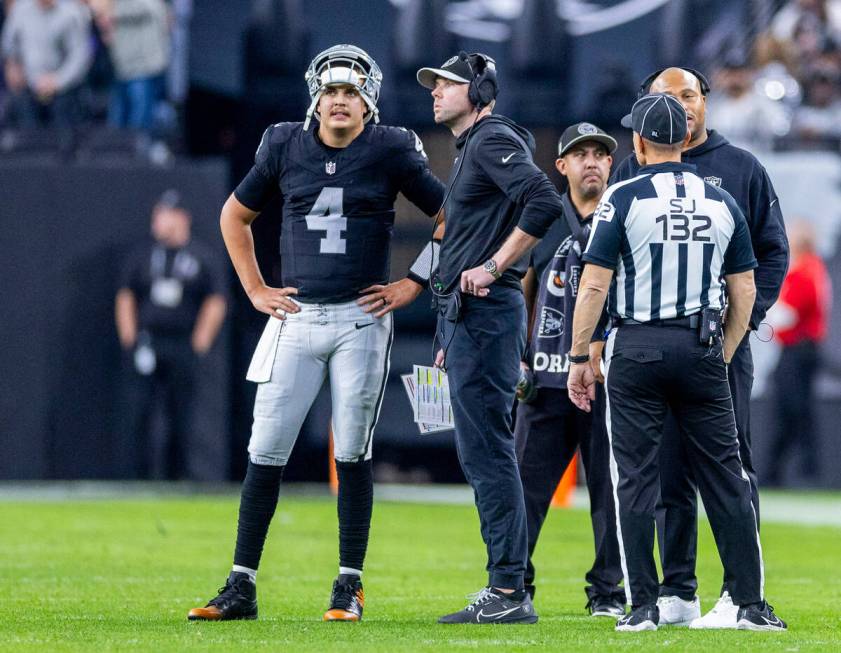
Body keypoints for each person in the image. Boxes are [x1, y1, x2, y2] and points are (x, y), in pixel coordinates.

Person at [187, 44, 445, 623]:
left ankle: (348, 583)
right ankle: (241, 584)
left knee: (352, 449)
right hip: (297, 318)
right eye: (331, 91)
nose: (339, 101)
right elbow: (234, 216)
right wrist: (255, 290)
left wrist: (413, 284)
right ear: (315, 97)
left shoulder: (391, 148)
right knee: (265, 449)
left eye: (351, 92)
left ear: (368, 101)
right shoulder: (284, 144)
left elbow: (452, 216)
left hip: (361, 319)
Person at [568, 92, 787, 632]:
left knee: (636, 477)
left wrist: (579, 354)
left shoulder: (622, 195)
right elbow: (745, 288)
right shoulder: (721, 200)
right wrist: (724, 351)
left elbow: (595, 282)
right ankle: (750, 604)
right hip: (703, 348)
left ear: (639, 143)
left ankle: (643, 604)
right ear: (684, 139)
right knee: (727, 476)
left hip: (638, 347)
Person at [416, 51, 563, 624]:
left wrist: (497, 265)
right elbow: (460, 240)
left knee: (490, 455)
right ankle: (511, 584)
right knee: (483, 453)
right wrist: (446, 327)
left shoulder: (492, 138)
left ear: (479, 90)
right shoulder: (473, 147)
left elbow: (544, 198)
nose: (435, 92)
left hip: (486, 314)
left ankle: (507, 591)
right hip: (467, 319)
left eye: (448, 84)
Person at [514, 122, 625, 617]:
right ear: (561, 166)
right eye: (580, 154)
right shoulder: (542, 217)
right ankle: (512, 585)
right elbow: (523, 289)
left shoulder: (626, 214)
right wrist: (519, 353)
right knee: (525, 493)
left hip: (608, 382)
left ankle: (607, 593)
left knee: (611, 495)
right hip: (547, 377)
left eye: (601, 154)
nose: (593, 162)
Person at [115, 190, 227, 479]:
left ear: (181, 218)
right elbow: (126, 295)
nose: (159, 222)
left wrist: (200, 342)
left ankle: (179, 478)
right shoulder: (144, 255)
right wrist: (131, 340)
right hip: (148, 343)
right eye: (157, 215)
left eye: (165, 215)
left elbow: (216, 299)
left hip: (182, 344)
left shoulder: (201, 257)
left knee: (182, 414)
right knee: (141, 412)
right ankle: (139, 477)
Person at [767, 220, 831, 485]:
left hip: (798, 350)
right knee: (789, 411)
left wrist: (755, 309)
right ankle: (780, 471)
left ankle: (804, 472)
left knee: (795, 410)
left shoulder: (806, 271)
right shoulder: (808, 269)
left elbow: (789, 314)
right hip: (795, 350)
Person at [1, 0, 91, 134]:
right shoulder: (20, 9)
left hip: (63, 88)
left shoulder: (71, 12)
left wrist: (57, 81)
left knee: (64, 135)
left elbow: (79, 56)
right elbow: (9, 46)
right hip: (28, 85)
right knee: (26, 135)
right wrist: (12, 66)